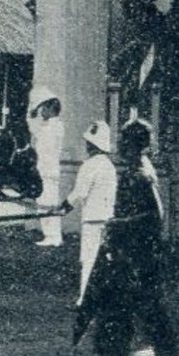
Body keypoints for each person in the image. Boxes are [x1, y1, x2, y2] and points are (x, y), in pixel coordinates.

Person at [73, 120, 176, 356]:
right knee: (112, 305)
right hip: (129, 252)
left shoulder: (141, 174)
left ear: (131, 144)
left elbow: (155, 216)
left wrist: (120, 224)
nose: (118, 145)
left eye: (122, 140)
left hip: (139, 256)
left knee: (146, 310)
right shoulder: (136, 169)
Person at [61, 121, 117, 300]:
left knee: (88, 260)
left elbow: (80, 192)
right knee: (106, 259)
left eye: (88, 142)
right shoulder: (109, 166)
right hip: (108, 219)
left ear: (93, 144)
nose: (86, 145)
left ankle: (84, 299)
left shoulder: (89, 165)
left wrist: (65, 205)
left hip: (92, 219)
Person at [27, 87, 65, 245]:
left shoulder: (53, 127)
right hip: (47, 170)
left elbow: (37, 133)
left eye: (43, 108)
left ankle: (52, 236)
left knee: (47, 204)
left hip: (47, 171)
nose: (41, 112)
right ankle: (52, 236)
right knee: (46, 204)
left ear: (50, 109)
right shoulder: (52, 126)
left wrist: (32, 114)